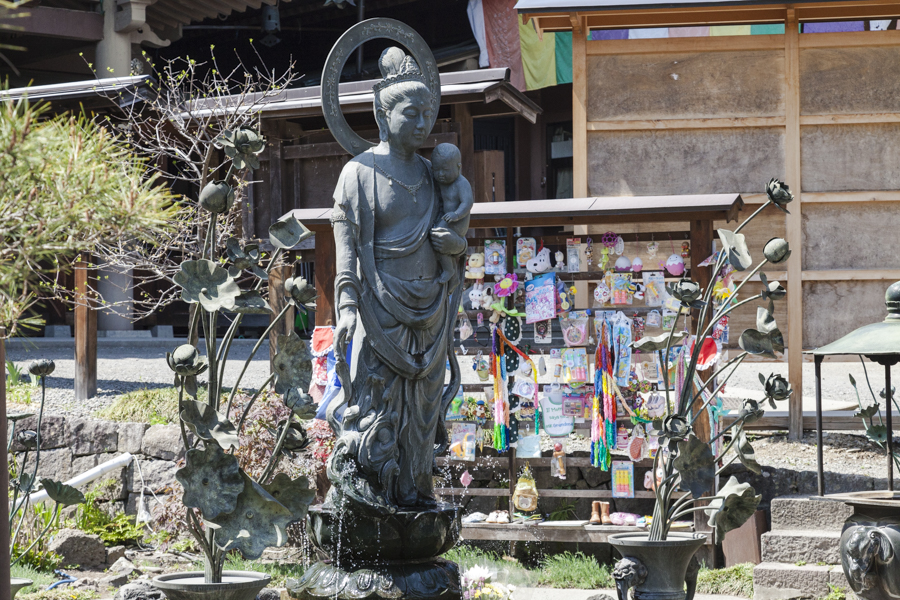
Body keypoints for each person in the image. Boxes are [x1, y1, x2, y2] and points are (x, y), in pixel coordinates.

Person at [325, 47, 467, 511]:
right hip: (380, 309)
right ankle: (373, 496)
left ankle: (416, 490)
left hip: (431, 310)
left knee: (424, 410)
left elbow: (456, 235)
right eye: (411, 113)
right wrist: (347, 306)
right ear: (382, 115)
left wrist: (456, 247)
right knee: (377, 404)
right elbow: (347, 248)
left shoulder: (436, 174)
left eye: (429, 113)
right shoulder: (359, 173)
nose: (423, 123)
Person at [430, 143, 473, 284]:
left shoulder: (462, 183)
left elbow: (467, 203)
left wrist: (457, 214)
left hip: (458, 221)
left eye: (445, 170)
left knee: (440, 238)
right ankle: (449, 270)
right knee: (436, 236)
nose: (441, 174)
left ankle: (449, 270)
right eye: (437, 170)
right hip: (446, 218)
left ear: (458, 167)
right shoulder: (441, 182)